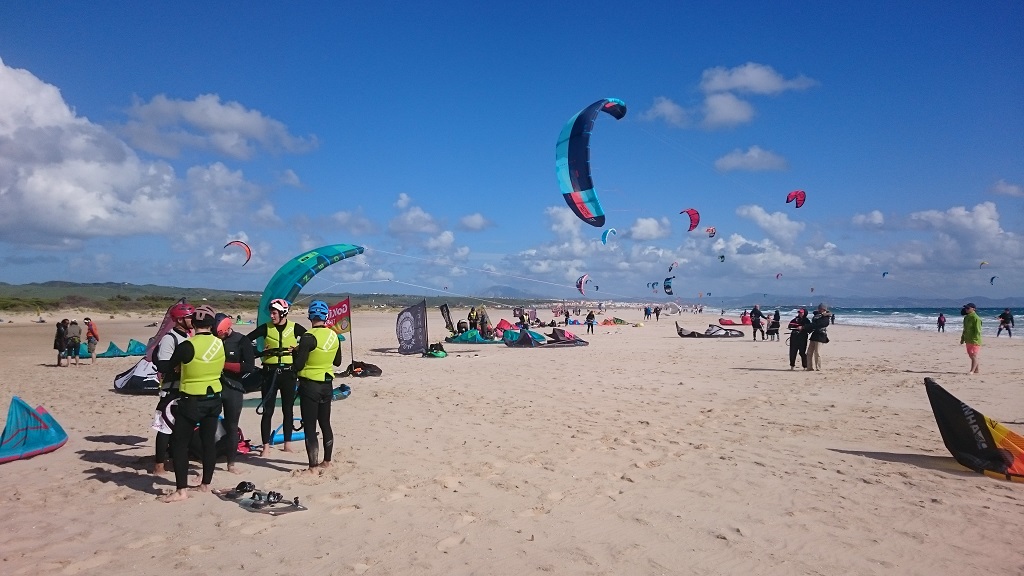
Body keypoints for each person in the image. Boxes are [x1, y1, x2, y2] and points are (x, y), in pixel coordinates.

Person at [162, 305, 224, 503]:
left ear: (194, 324)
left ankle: (181, 490)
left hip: (191, 400)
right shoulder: (219, 343)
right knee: (208, 443)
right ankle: (206, 483)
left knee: (180, 444)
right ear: (212, 324)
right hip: (214, 399)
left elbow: (169, 367)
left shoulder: (187, 345)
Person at [247, 298, 306, 456]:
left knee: (288, 410)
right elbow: (245, 342)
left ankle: (287, 444)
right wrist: (259, 352)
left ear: (283, 313)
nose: (271, 316)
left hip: (288, 373)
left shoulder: (295, 328)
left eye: (274, 313)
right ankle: (266, 446)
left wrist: (298, 349)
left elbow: (309, 341)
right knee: (268, 411)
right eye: (271, 313)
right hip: (269, 373)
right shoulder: (265, 328)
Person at [292, 300, 342, 475]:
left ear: (310, 316)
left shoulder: (307, 336)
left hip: (310, 385)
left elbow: (298, 365)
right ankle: (327, 461)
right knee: (325, 423)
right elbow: (337, 362)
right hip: (327, 385)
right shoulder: (334, 335)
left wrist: (295, 352)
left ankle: (312, 467)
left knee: (310, 427)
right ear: (325, 316)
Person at [152, 302, 194, 475]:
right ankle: (158, 465)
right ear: (179, 320)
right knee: (165, 427)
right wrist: (179, 365)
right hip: (171, 389)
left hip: (184, 389)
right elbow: (162, 364)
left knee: (179, 428)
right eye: (189, 317)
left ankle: (172, 458)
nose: (192, 320)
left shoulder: (188, 337)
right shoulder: (170, 338)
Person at [214, 313, 255, 474]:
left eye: (222, 334)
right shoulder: (213, 340)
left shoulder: (241, 340)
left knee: (232, 427)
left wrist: (224, 365)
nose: (221, 337)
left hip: (234, 388)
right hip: (214, 387)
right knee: (209, 425)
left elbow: (249, 366)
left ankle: (231, 463)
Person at [805, 304, 832, 371]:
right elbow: (814, 324)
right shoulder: (816, 316)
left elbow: (818, 325)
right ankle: (809, 367)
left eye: (821, 309)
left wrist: (807, 326)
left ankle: (818, 367)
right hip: (814, 335)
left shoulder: (826, 318)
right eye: (819, 308)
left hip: (821, 336)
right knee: (809, 352)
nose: (819, 310)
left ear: (824, 309)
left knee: (817, 352)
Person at [960, 303, 982, 374]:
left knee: (973, 355)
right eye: (966, 308)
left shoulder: (976, 318)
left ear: (973, 309)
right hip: (967, 339)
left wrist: (975, 339)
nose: (966, 309)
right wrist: (962, 339)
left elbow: (978, 331)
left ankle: (972, 370)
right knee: (971, 355)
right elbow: (965, 329)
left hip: (974, 340)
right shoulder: (966, 317)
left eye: (968, 308)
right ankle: (976, 370)